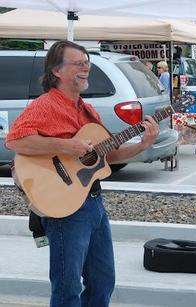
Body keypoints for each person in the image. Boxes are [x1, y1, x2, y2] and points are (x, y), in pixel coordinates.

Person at [5, 40, 159, 307]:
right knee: (68, 288)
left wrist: (142, 145)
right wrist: (66, 145)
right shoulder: (46, 105)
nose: (86, 68)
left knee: (102, 282)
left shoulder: (84, 108)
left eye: (87, 63)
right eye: (78, 64)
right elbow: (16, 141)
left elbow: (105, 156)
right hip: (66, 210)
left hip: (93, 203)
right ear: (56, 71)